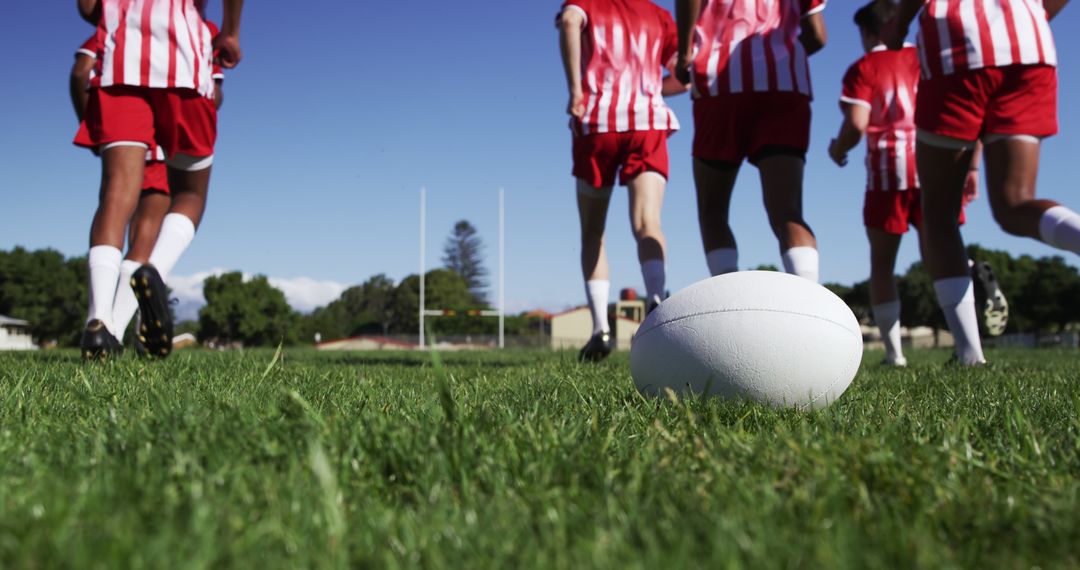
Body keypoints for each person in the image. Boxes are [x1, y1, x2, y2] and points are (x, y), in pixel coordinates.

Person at [886, 0, 1072, 365]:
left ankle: (970, 355)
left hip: (956, 45)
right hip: (1029, 44)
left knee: (938, 216)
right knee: (1015, 204)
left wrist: (897, 26)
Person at [74, 0, 243, 360]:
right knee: (190, 194)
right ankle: (155, 270)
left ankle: (101, 321)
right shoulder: (206, 33)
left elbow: (88, 13)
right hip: (184, 65)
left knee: (115, 196)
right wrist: (230, 31)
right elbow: (216, 94)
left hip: (121, 66)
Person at [827, 1, 978, 366]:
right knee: (942, 250)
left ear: (866, 32)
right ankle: (971, 350)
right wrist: (972, 164)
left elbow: (857, 124)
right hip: (937, 160)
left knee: (882, 264)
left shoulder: (862, 68)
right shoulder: (926, 55)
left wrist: (838, 147)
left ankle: (894, 354)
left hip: (886, 174)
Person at [557, 0, 690, 362]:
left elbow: (570, 21)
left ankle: (600, 329)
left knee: (593, 231)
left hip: (597, 123)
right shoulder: (659, 16)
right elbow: (684, 73)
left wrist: (575, 90)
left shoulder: (587, 4)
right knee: (648, 223)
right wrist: (649, 86)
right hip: (647, 121)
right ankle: (657, 302)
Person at [674, 0, 828, 282]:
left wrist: (685, 54)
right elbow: (817, 35)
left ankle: (730, 311)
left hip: (719, 82)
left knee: (713, 212)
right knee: (787, 211)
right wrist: (780, 55)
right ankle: (810, 306)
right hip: (784, 85)